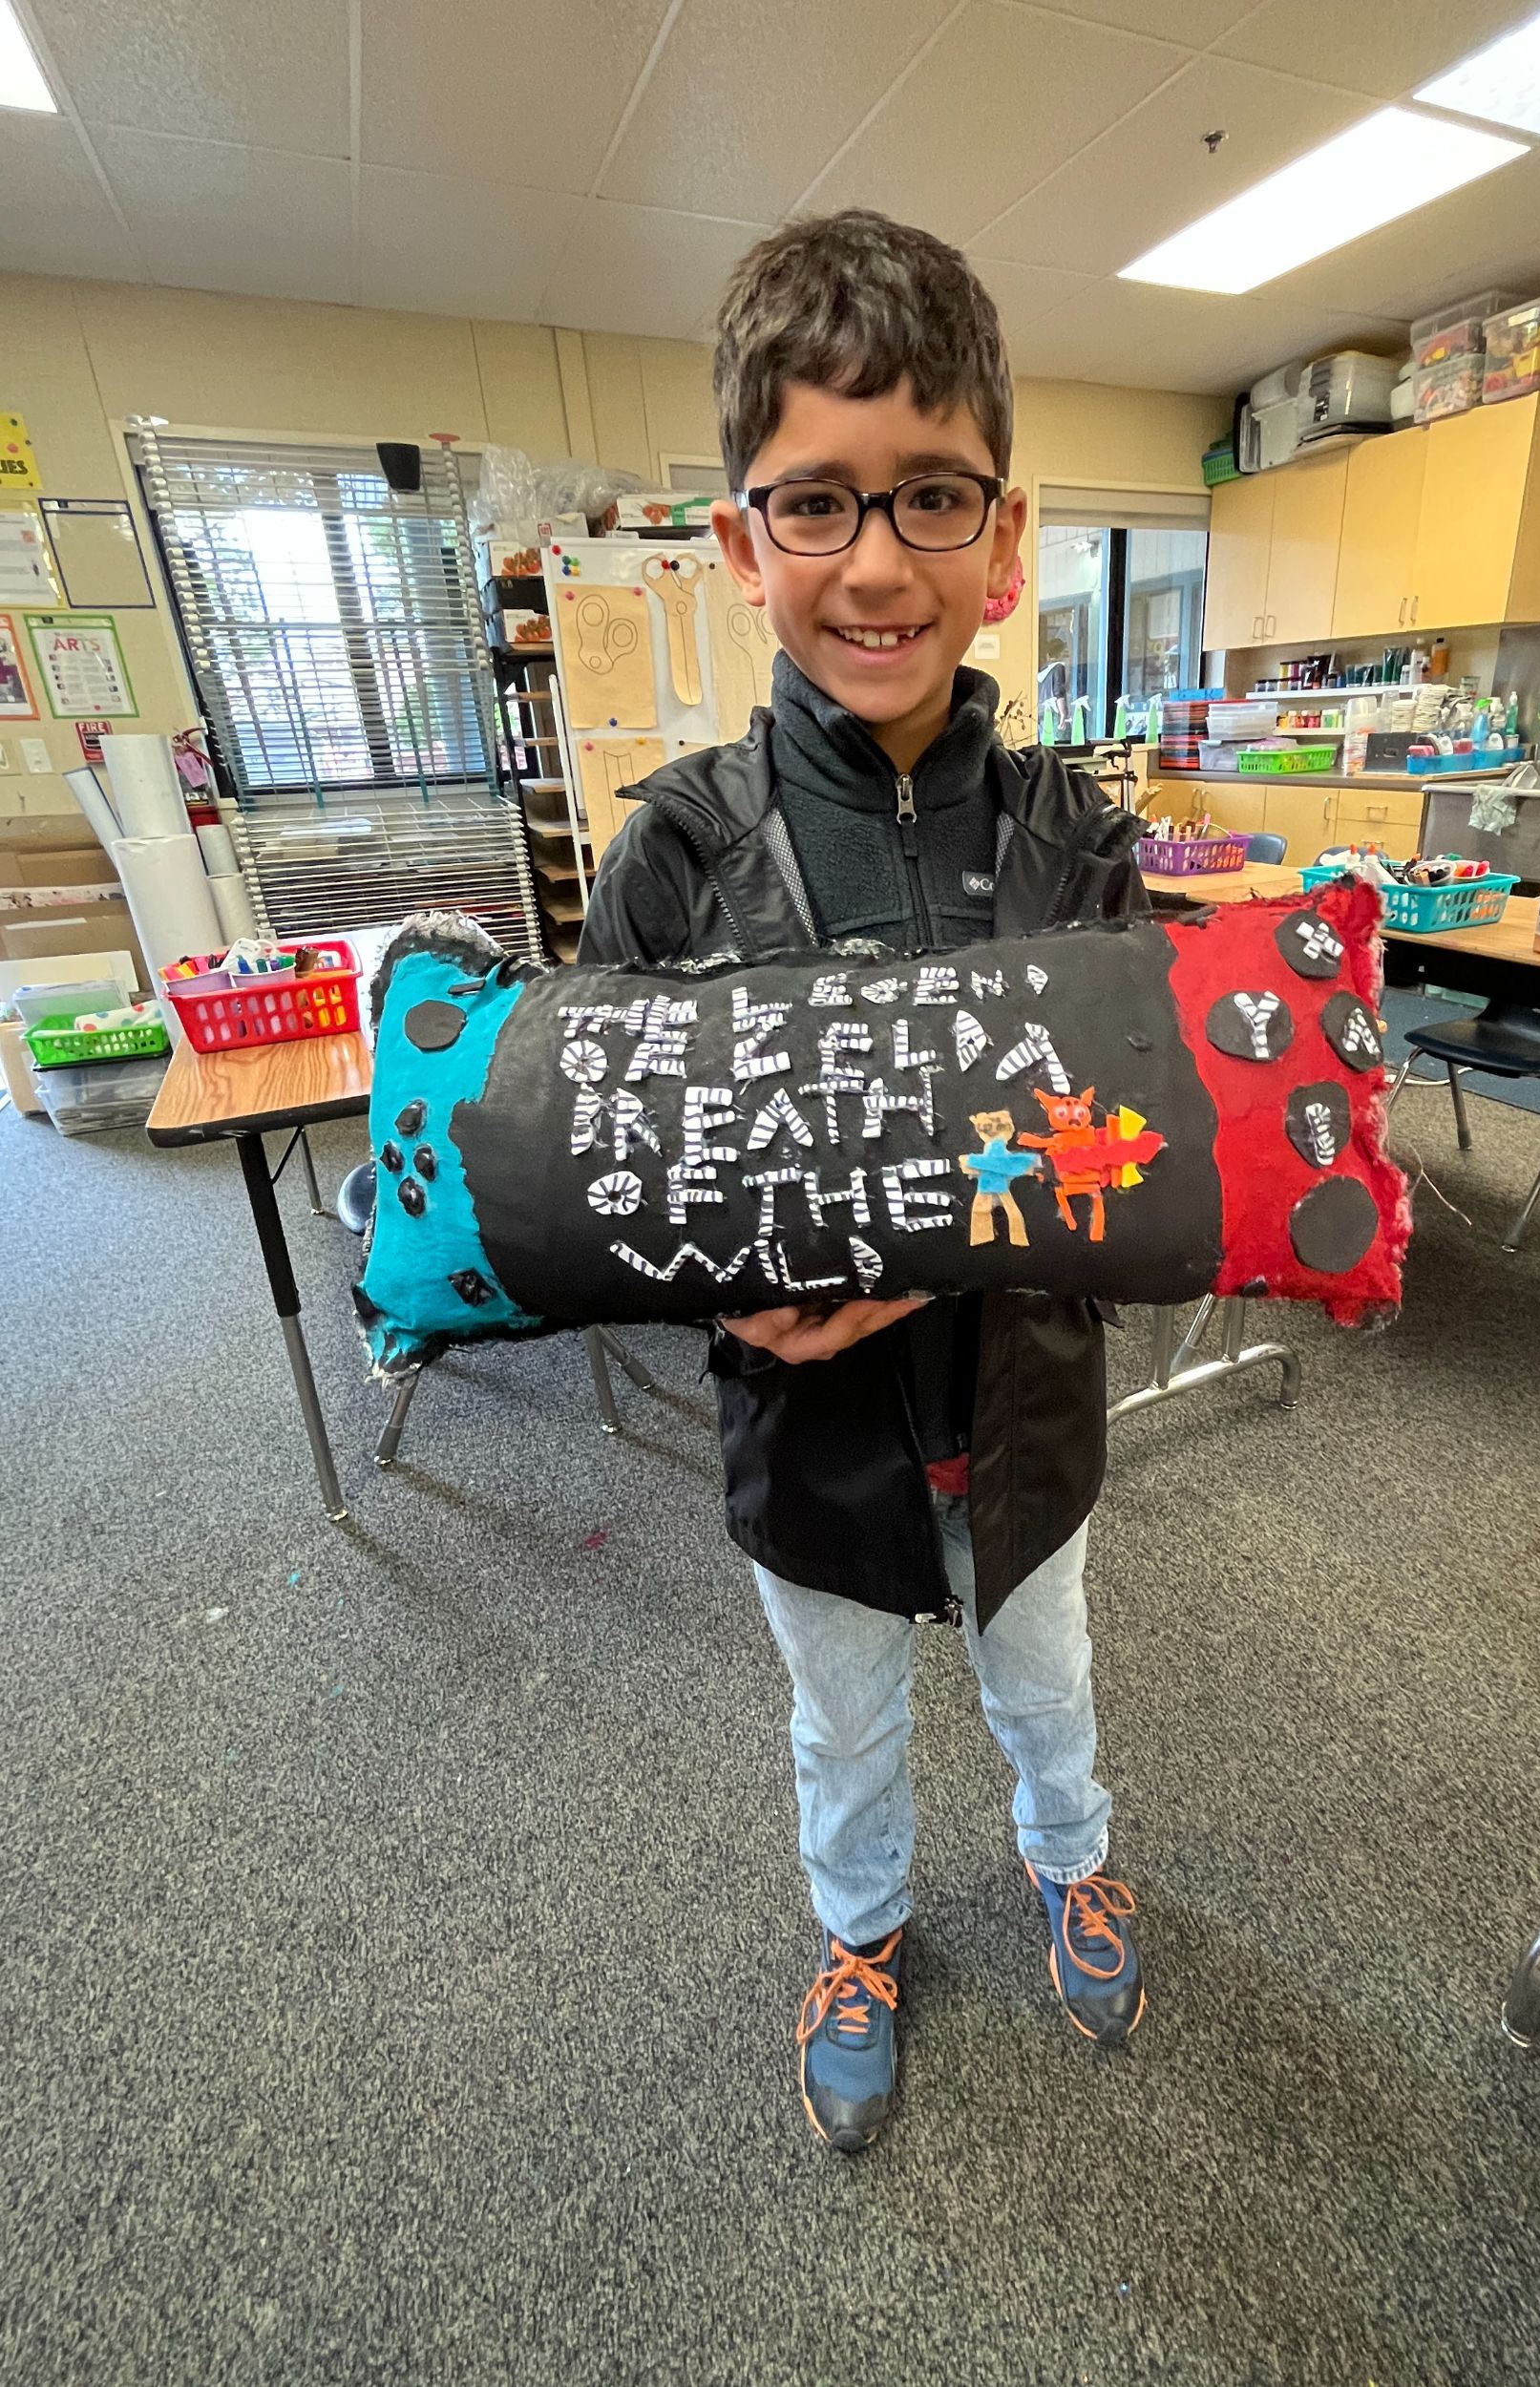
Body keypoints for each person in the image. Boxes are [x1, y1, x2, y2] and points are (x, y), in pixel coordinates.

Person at [577, 211, 1149, 2153]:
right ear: (741, 544)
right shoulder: (675, 856)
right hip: (805, 1431)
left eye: (931, 495)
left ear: (1006, 538)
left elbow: (1132, 1153)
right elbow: (617, 1171)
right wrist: (715, 1292)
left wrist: (977, 1239)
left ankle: (1068, 1856)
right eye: (815, 502)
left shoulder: (1078, 846)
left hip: (1028, 1406)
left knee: (1045, 1679)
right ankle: (859, 1928)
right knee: (841, 1717)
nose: (879, 561)